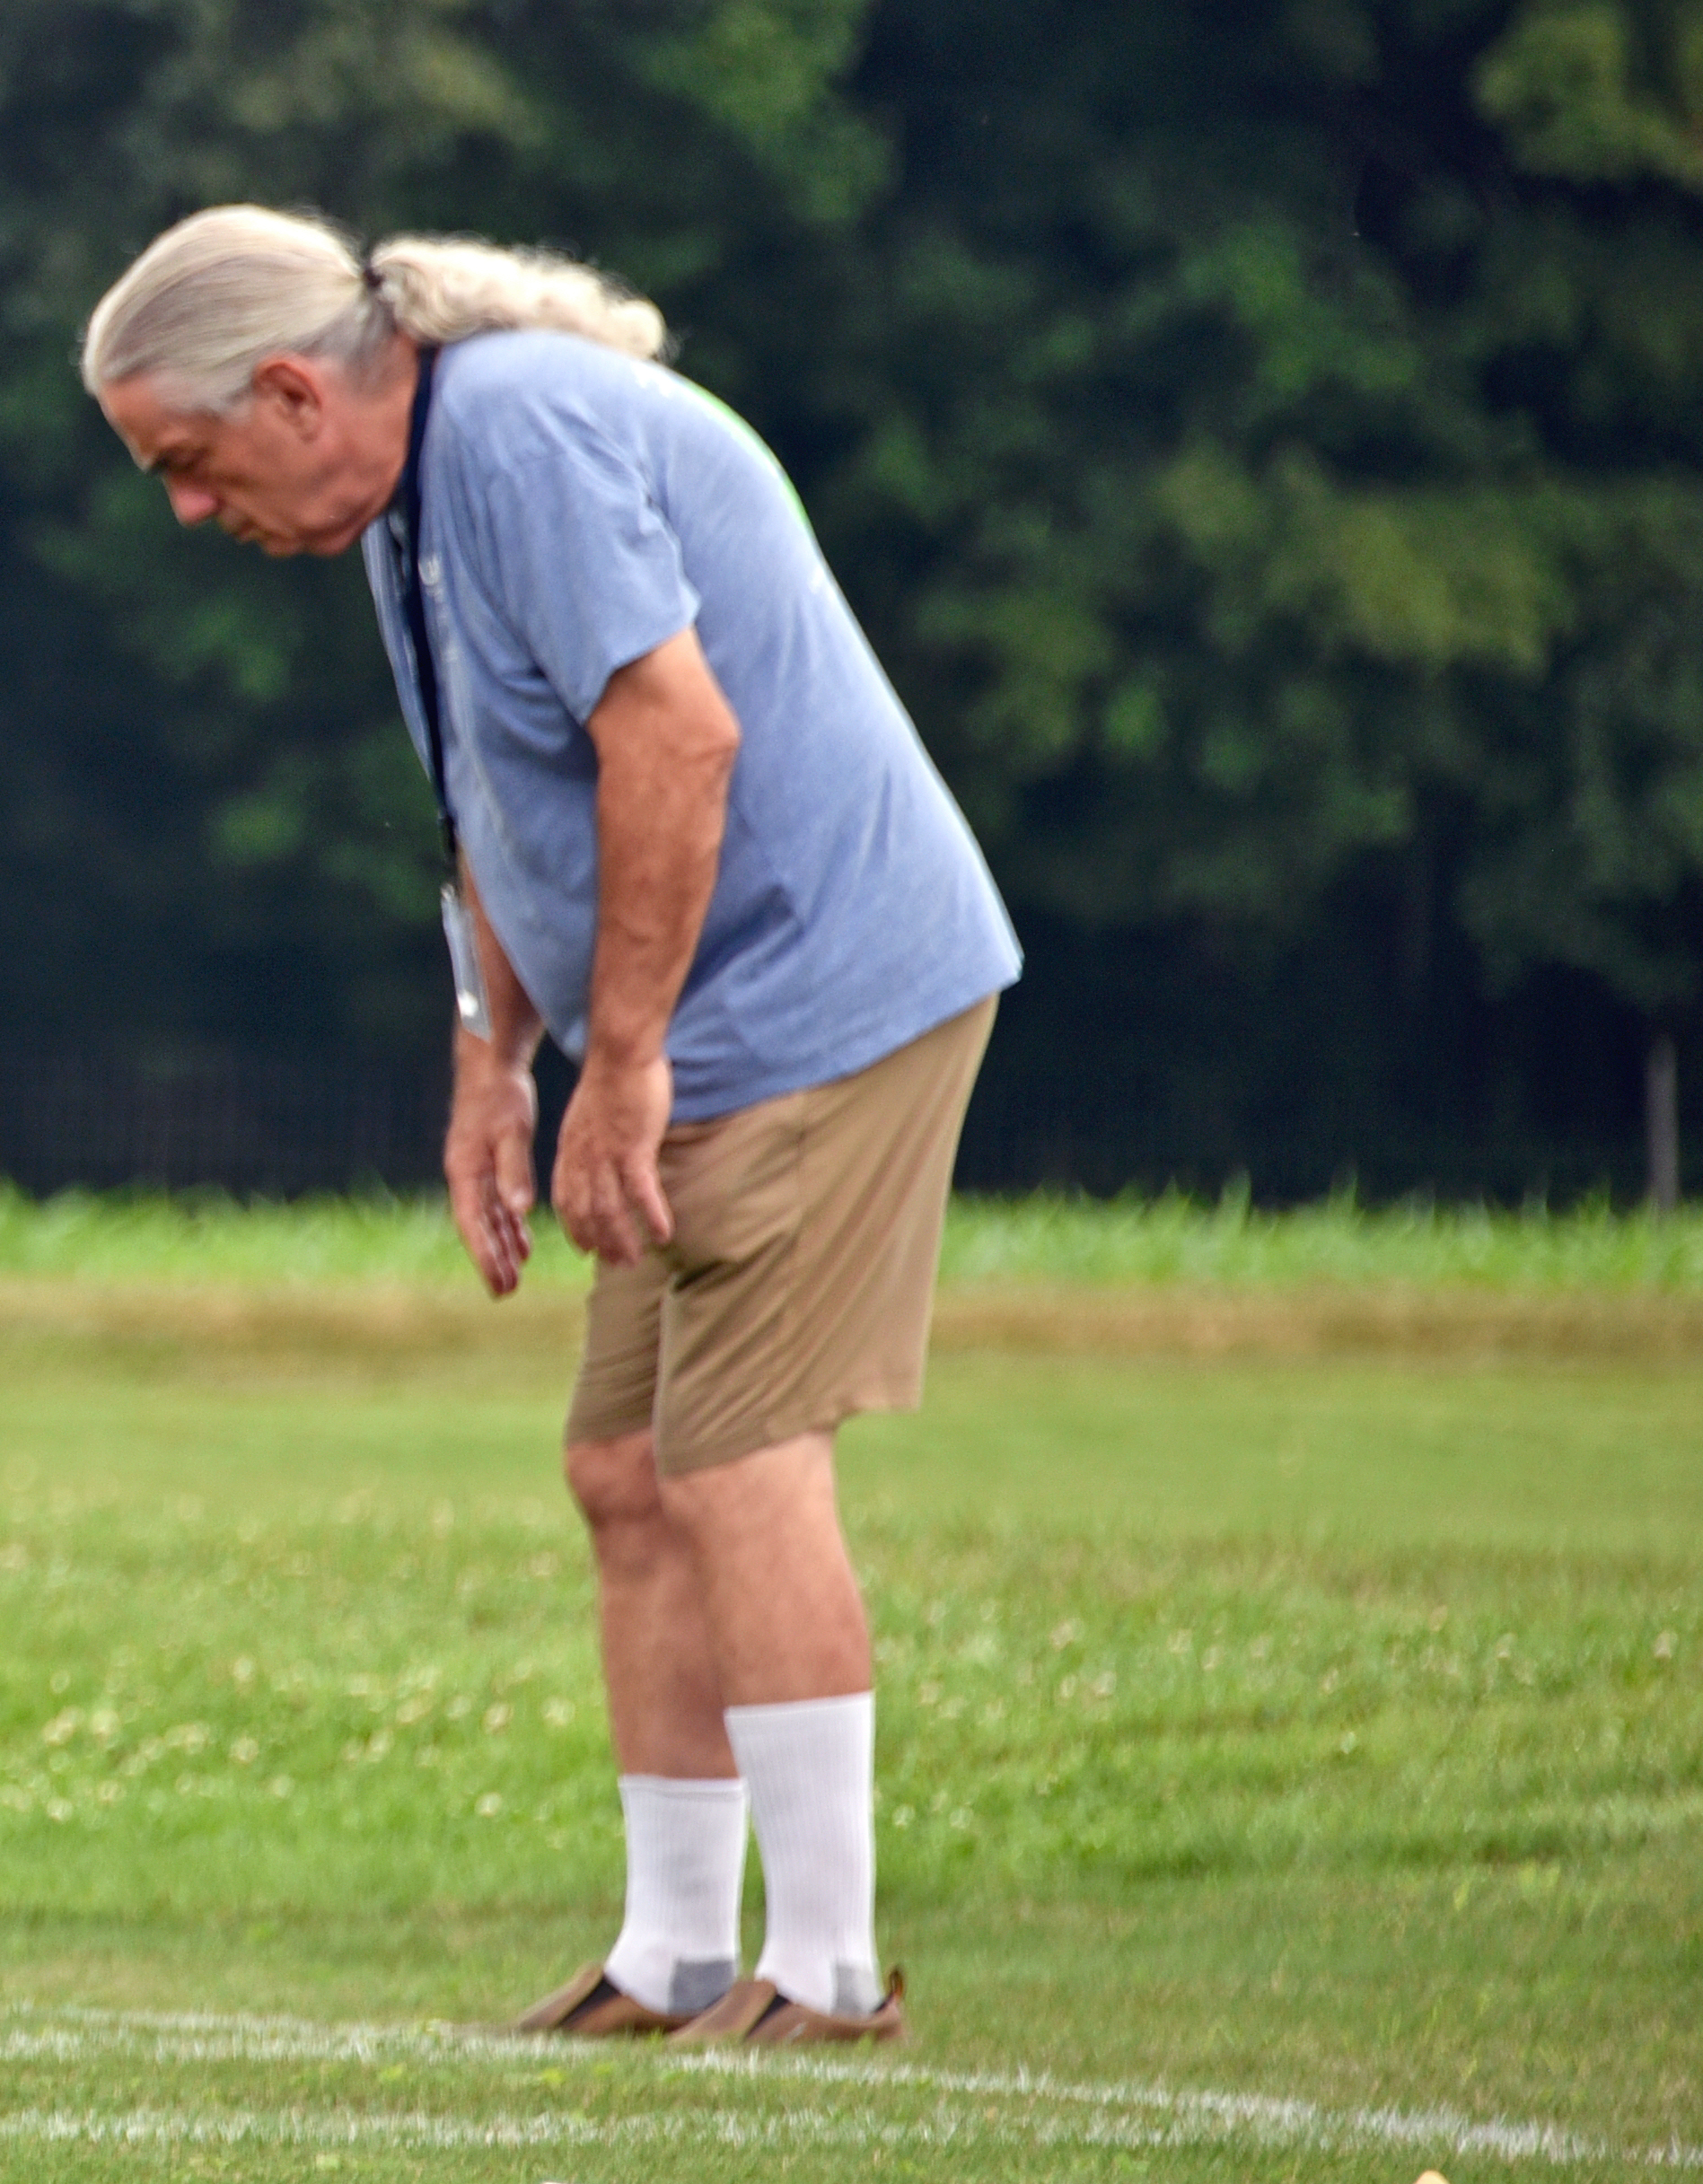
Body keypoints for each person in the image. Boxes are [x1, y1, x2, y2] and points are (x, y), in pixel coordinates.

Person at [80, 206, 1020, 2048]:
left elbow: (670, 739)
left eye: (186, 464)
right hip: (679, 1020)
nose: (189, 513)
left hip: (819, 996)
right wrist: (486, 1065)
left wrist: (627, 1059)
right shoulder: (398, 499)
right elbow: (495, 808)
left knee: (731, 1458)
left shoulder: (513, 429)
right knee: (620, 1466)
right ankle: (671, 1955)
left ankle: (823, 1973)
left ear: (286, 390)